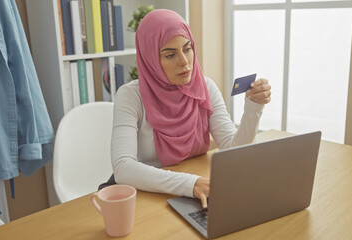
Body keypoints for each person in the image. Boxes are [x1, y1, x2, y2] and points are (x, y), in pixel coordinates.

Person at [110, 9, 271, 208]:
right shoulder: (130, 96)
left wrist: (254, 109)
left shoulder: (206, 87)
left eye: (187, 48)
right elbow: (123, 168)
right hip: (149, 195)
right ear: (149, 58)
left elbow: (233, 151)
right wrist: (190, 183)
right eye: (170, 55)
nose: (185, 62)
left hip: (195, 189)